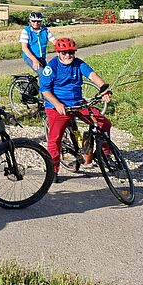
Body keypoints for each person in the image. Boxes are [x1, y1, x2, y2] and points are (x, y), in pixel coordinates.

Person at [39, 37, 112, 183]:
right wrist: (58, 104)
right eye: (64, 52)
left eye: (71, 53)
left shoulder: (78, 64)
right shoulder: (51, 67)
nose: (68, 56)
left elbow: (92, 75)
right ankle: (53, 170)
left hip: (78, 103)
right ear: (58, 53)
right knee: (55, 139)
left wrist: (104, 89)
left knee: (104, 124)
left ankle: (104, 155)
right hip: (58, 106)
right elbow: (45, 90)